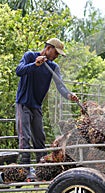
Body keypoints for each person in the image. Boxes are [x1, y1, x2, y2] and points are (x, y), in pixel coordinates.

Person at [15, 38, 78, 179]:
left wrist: (69, 95)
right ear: (48, 48)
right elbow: (18, 71)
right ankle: (25, 171)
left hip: (36, 106)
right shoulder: (30, 56)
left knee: (39, 138)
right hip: (23, 103)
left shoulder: (54, 67)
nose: (56, 57)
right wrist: (34, 64)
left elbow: (60, 85)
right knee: (24, 137)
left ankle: (42, 169)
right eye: (56, 53)